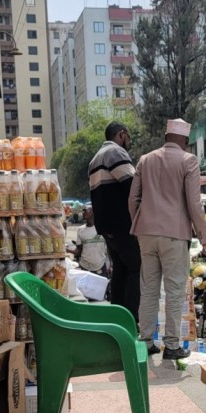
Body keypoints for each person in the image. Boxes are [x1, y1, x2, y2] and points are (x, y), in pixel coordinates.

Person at [130, 118, 206, 360]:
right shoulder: (188, 161)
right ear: (185, 141)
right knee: (174, 291)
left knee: (149, 289)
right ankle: (172, 345)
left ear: (166, 138)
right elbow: (194, 204)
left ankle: (145, 341)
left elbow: (133, 199)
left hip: (146, 233)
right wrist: (205, 238)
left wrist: (141, 223)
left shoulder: (145, 160)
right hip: (174, 235)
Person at [89, 121, 141, 322]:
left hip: (107, 227)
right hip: (122, 224)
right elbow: (134, 186)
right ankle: (131, 320)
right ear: (121, 134)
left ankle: (118, 318)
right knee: (137, 269)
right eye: (127, 136)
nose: (128, 141)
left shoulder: (95, 159)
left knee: (121, 270)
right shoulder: (115, 153)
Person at [72, 207, 109, 276]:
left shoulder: (102, 227)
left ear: (93, 212)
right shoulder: (80, 230)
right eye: (83, 211)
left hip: (100, 266)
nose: (84, 212)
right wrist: (66, 250)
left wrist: (110, 265)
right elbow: (79, 250)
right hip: (85, 267)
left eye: (86, 210)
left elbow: (109, 248)